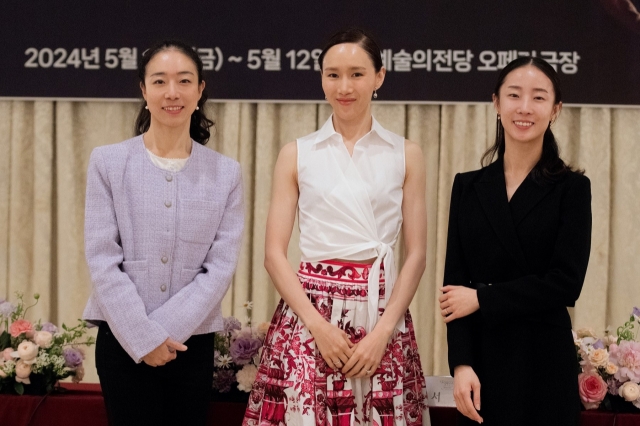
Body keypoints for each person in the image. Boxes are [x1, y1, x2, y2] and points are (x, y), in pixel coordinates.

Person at [242, 28, 429, 426]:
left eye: (357, 74)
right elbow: (274, 254)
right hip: (310, 316)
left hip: (382, 314)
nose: (344, 87)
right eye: (333, 74)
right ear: (322, 78)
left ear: (379, 77)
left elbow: (416, 255)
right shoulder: (297, 153)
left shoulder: (406, 153)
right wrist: (318, 327)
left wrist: (382, 333)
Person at [82, 40, 244, 426]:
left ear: (200, 89)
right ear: (143, 90)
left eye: (184, 81)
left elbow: (220, 266)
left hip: (192, 344)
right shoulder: (108, 161)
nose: (172, 92)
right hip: (122, 342)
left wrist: (165, 334)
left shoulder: (226, 172)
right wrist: (142, 336)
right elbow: (102, 257)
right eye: (159, 81)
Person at [439, 56, 592, 426]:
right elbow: (453, 291)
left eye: (539, 98)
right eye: (514, 95)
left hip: (543, 363)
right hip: (481, 366)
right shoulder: (468, 185)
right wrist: (460, 364)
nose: (525, 108)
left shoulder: (571, 188)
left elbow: (565, 282)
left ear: (555, 110)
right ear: (496, 103)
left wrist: (483, 298)